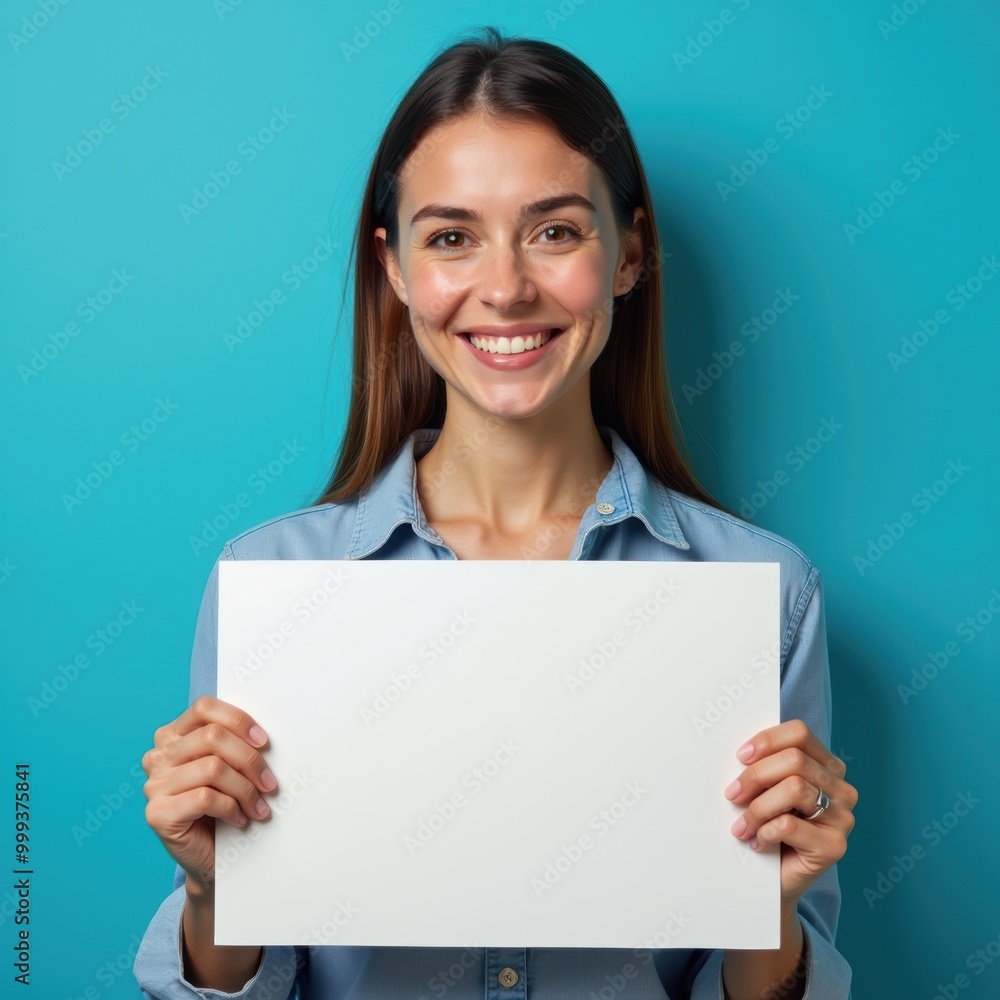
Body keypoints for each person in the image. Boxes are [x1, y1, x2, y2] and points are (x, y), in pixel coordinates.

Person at [134, 25, 857, 1000]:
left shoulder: (766, 593)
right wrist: (212, 892)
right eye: (451, 237)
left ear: (629, 251)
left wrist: (768, 906)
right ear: (394, 272)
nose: (507, 287)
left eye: (555, 230)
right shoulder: (273, 584)